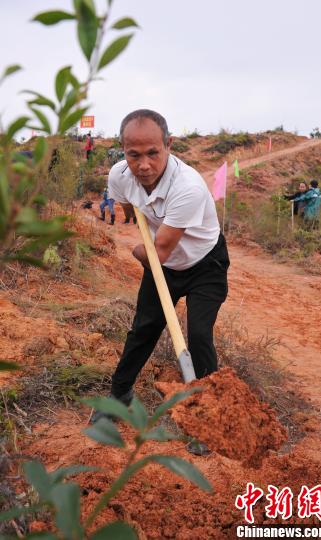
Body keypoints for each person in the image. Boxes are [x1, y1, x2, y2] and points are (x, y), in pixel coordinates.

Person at [91, 109, 229, 430]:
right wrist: (136, 220)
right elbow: (127, 205)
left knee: (198, 336)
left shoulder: (188, 187)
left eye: (153, 153)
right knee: (143, 329)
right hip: (163, 262)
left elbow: (159, 252)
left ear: (169, 144)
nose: (144, 165)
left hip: (204, 264)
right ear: (122, 150)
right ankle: (119, 395)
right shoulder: (119, 176)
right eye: (133, 155)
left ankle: (207, 416)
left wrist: (139, 249)